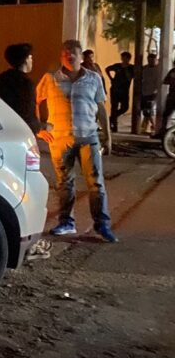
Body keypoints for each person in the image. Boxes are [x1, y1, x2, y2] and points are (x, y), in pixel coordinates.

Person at [37, 39, 117, 243]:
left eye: (73, 52)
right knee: (64, 183)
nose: (69, 55)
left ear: (81, 57)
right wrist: (39, 127)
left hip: (88, 136)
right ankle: (66, 223)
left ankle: (102, 226)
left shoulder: (93, 79)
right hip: (60, 139)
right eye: (65, 52)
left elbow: (101, 108)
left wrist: (107, 135)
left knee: (96, 183)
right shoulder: (50, 79)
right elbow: (37, 102)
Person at [0, 43, 40, 134]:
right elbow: (27, 113)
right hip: (21, 132)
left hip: (4, 129)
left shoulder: (3, 80)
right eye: (30, 57)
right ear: (26, 60)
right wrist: (41, 127)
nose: (32, 61)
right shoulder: (25, 84)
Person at [105, 51, 134, 133]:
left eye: (125, 58)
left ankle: (111, 118)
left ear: (128, 58)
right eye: (122, 58)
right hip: (115, 89)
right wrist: (111, 78)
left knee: (125, 107)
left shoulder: (131, 68)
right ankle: (114, 126)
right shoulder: (117, 66)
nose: (123, 59)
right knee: (114, 107)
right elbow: (107, 69)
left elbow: (133, 76)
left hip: (124, 90)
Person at [141, 53, 161, 136]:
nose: (151, 61)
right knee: (145, 110)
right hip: (144, 91)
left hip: (153, 92)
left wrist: (156, 91)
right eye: (149, 59)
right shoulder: (144, 68)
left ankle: (154, 126)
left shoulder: (158, 69)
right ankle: (145, 127)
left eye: (153, 60)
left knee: (149, 110)